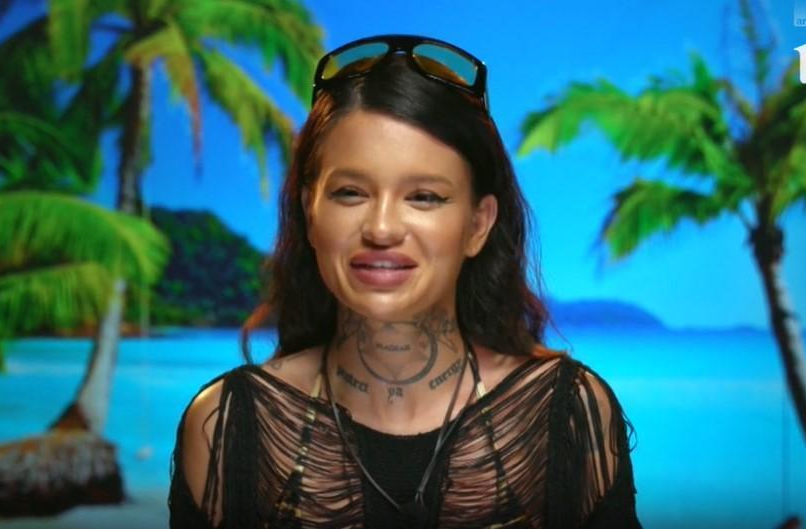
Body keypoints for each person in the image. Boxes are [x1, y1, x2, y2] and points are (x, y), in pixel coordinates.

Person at [168, 34, 642, 529]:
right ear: (310, 213)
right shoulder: (225, 426)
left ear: (478, 224)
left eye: (424, 197)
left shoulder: (568, 416)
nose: (381, 229)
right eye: (350, 192)